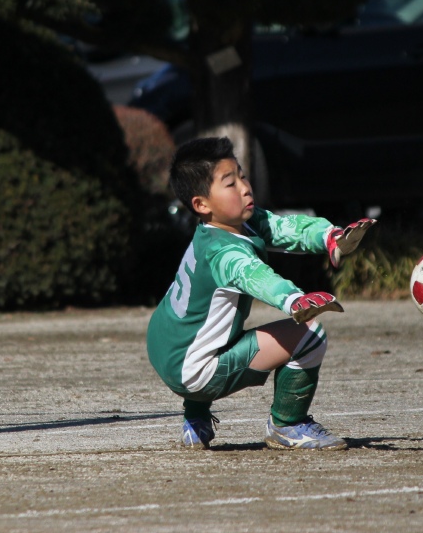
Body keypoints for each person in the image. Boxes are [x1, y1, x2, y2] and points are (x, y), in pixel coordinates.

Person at [145, 135, 375, 450]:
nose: (244, 187)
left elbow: (284, 228)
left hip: (164, 345)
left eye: (242, 175)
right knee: (310, 336)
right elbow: (255, 276)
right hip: (193, 371)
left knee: (216, 327)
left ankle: (195, 419)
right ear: (201, 205)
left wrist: (329, 236)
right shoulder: (224, 253)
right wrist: (294, 299)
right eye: (230, 183)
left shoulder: (226, 228)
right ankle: (287, 424)